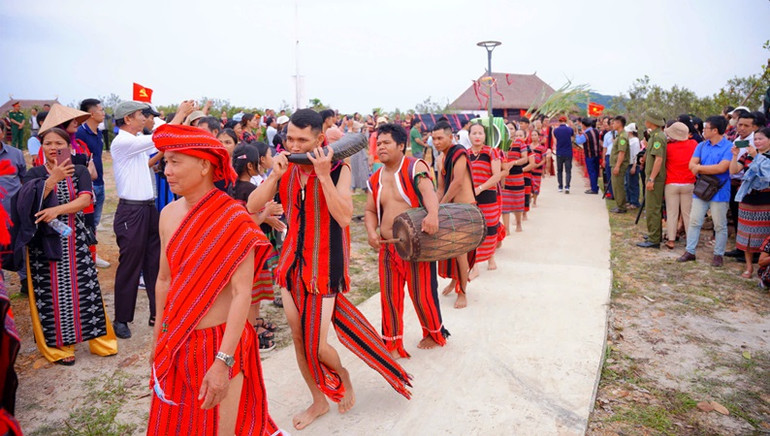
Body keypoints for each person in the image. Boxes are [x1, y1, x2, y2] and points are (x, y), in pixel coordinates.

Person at [247, 109, 411, 430]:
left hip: (325, 265)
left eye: (302, 140)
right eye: (289, 138)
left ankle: (343, 376)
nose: (293, 145)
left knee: (316, 345)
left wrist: (322, 175)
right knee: (297, 338)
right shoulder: (285, 166)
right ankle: (319, 400)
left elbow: (345, 217)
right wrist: (274, 177)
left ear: (320, 140)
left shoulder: (340, 168)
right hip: (291, 261)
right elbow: (253, 206)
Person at [147, 124, 282, 435]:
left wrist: (223, 361)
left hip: (218, 344)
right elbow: (164, 280)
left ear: (205, 165)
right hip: (177, 337)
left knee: (221, 429)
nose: (167, 170)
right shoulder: (167, 214)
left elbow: (241, 294)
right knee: (178, 425)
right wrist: (158, 340)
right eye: (166, 161)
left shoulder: (234, 218)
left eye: (176, 162)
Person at [18, 127, 117, 365]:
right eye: (48, 143)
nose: (53, 148)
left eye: (58, 143)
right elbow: (25, 205)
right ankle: (60, 348)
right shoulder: (34, 174)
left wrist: (57, 210)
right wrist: (52, 180)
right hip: (43, 245)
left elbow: (85, 199)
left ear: (68, 146)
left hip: (76, 240)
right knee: (52, 296)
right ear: (42, 147)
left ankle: (99, 341)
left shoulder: (80, 170)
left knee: (86, 291)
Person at [364, 123, 449, 359]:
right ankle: (391, 341)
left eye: (386, 143)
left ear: (401, 145)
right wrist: (371, 231)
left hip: (415, 245)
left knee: (422, 293)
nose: (381, 147)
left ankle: (434, 333)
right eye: (378, 143)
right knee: (389, 295)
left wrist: (433, 215)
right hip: (388, 246)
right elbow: (370, 210)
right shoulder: (374, 179)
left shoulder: (415, 166)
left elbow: (428, 193)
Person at [110, 100, 193, 339]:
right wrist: (178, 115)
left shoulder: (134, 144)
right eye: (142, 115)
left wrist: (164, 122)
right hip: (131, 211)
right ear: (128, 119)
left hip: (147, 208)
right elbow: (160, 137)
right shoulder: (124, 142)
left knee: (155, 262)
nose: (146, 119)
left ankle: (158, 313)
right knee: (130, 266)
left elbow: (158, 144)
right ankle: (122, 319)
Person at [231, 142, 280, 352]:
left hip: (240, 248)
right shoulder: (251, 190)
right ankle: (250, 332)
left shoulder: (232, 187)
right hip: (250, 248)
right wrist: (267, 211)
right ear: (252, 167)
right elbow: (250, 222)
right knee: (249, 293)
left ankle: (253, 324)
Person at [677, 116, 732, 266]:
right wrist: (700, 167)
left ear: (715, 130)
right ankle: (690, 251)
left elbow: (722, 167)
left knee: (719, 224)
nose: (703, 130)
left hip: (720, 191)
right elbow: (691, 164)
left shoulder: (729, 147)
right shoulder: (701, 146)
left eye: (706, 128)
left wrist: (700, 168)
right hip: (702, 189)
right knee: (694, 221)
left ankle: (718, 254)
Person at [433, 121, 477, 308]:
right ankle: (455, 280)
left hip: (465, 209)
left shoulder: (459, 153)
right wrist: (433, 206)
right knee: (450, 250)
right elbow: (441, 187)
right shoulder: (440, 159)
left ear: (451, 137)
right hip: (450, 209)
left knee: (460, 252)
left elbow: (457, 182)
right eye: (434, 138)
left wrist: (440, 207)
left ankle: (463, 292)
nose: (436, 142)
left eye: (440, 138)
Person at [75, 99, 110, 268]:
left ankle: (92, 255)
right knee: (86, 222)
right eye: (101, 110)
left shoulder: (99, 133)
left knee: (94, 223)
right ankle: (86, 257)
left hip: (100, 181)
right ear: (91, 113)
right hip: (87, 184)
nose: (104, 113)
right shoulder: (80, 134)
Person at [731, 127, 770, 278]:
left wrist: (756, 157)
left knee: (764, 235)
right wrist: (734, 156)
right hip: (747, 197)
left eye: (761, 139)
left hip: (766, 199)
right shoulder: (748, 154)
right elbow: (734, 171)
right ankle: (748, 267)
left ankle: (762, 267)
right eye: (756, 139)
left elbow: (766, 176)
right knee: (746, 233)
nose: (757, 142)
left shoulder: (763, 156)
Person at [467, 122, 503, 273]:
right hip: (470, 196)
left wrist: (480, 188)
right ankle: (474, 263)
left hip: (487, 194)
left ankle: (490, 256)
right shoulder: (465, 153)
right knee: (473, 229)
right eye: (474, 133)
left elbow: (497, 175)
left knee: (490, 228)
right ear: (469, 136)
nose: (477, 136)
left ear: (485, 136)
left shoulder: (491, 152)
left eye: (480, 133)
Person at [0, 121, 27, 292]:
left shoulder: (16, 154)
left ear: (2, 133)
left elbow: (24, 180)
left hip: (13, 213)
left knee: (20, 247)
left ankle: (25, 282)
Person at [663, 122, 698, 250]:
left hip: (671, 182)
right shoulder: (693, 144)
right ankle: (690, 240)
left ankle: (671, 239)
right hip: (688, 183)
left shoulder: (668, 147)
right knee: (687, 213)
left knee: (672, 213)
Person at [637, 111, 667, 248]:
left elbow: (659, 159)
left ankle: (654, 239)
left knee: (652, 208)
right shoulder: (655, 136)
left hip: (655, 178)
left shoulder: (657, 138)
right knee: (653, 207)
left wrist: (652, 179)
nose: (645, 121)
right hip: (653, 176)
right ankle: (655, 234)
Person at [501, 130, 527, 233]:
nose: (510, 131)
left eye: (512, 129)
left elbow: (525, 159)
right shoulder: (501, 143)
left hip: (517, 176)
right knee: (505, 203)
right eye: (508, 128)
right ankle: (506, 229)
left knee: (518, 201)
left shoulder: (520, 143)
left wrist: (513, 163)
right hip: (505, 177)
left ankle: (518, 223)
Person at [575, 117, 601, 194]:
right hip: (597, 154)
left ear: (583, 125)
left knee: (591, 171)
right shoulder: (596, 131)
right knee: (596, 171)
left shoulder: (586, 134)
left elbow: (578, 141)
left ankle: (594, 188)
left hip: (589, 155)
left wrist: (577, 134)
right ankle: (595, 186)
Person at [609, 116, 629, 213]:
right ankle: (619, 205)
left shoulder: (622, 137)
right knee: (616, 186)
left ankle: (621, 207)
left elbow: (622, 152)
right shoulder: (619, 135)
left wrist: (617, 166)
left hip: (619, 165)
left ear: (619, 124)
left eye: (614, 123)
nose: (612, 125)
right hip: (615, 164)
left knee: (618, 186)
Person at [552, 116, 574, 193]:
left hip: (559, 152)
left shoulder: (556, 130)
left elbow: (555, 139)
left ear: (559, 121)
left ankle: (560, 186)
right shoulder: (570, 130)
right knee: (568, 170)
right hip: (568, 152)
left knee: (559, 170)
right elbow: (572, 137)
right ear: (566, 121)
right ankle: (567, 186)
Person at [624, 123, 642, 209]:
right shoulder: (629, 140)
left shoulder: (635, 141)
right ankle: (630, 200)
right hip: (628, 164)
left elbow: (636, 154)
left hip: (633, 164)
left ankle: (634, 202)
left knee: (633, 184)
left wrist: (634, 166)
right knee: (628, 183)